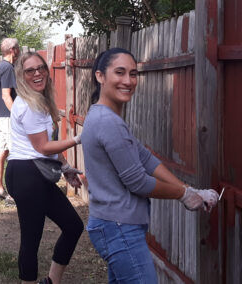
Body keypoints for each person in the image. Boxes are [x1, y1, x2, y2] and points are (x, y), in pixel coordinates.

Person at [81, 48, 220, 284]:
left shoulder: (106, 118)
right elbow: (138, 182)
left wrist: (189, 189)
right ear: (100, 76)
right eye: (120, 72)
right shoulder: (108, 122)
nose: (128, 81)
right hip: (119, 228)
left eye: (133, 74)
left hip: (114, 225)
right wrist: (184, 194)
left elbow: (145, 158)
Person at [5, 52, 84, 284]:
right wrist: (78, 139)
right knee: (31, 240)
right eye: (30, 70)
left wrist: (66, 167)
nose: (37, 73)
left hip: (33, 174)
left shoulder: (38, 101)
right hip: (27, 176)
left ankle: (51, 281)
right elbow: (42, 146)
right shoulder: (30, 105)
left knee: (72, 226)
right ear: (22, 76)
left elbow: (47, 146)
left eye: (41, 68)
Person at [0, 38, 20, 204]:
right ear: (12, 50)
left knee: (2, 152)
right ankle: (13, 194)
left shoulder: (0, 67)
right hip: (8, 117)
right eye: (17, 48)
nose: (19, 51)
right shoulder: (8, 68)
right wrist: (18, 115)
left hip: (1, 116)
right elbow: (6, 95)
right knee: (14, 155)